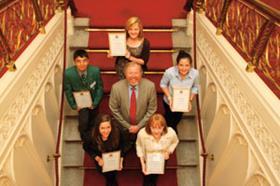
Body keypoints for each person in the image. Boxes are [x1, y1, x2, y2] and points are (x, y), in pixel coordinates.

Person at [109, 62, 157, 141]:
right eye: (130, 73)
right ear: (125, 74)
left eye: (136, 73)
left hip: (143, 127)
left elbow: (152, 109)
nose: (133, 76)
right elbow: (114, 109)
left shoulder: (150, 86)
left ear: (141, 73)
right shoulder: (116, 87)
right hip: (123, 127)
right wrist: (128, 126)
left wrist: (139, 126)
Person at [64, 49, 103, 140]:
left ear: (88, 61)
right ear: (74, 62)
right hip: (80, 103)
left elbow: (100, 88)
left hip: (93, 101)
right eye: (78, 61)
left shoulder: (95, 71)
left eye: (84, 61)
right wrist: (74, 105)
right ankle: (84, 136)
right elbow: (68, 90)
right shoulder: (68, 74)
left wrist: (95, 103)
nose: (82, 64)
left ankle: (93, 134)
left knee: (94, 118)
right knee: (83, 121)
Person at [83, 114, 130, 186]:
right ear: (97, 128)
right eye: (102, 128)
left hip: (115, 156)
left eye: (108, 127)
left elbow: (123, 145)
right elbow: (86, 147)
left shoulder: (118, 131)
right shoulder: (90, 136)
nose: (106, 131)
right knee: (109, 176)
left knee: (111, 175)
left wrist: (121, 159)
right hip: (101, 157)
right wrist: (97, 158)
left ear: (112, 127)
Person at [160, 50, 199, 131]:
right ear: (177, 65)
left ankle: (172, 129)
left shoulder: (195, 74)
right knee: (169, 119)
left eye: (187, 65)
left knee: (177, 119)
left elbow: (195, 87)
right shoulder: (169, 72)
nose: (184, 68)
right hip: (169, 101)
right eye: (181, 65)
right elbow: (163, 84)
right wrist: (169, 97)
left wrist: (189, 100)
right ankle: (170, 131)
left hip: (183, 102)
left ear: (190, 65)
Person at [136, 113, 179, 186]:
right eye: (153, 128)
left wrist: (169, 151)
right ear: (149, 127)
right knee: (146, 179)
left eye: (159, 128)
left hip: (161, 160)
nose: (156, 131)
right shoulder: (142, 134)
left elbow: (175, 141)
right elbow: (139, 146)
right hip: (147, 160)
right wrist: (143, 164)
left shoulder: (171, 133)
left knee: (154, 178)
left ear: (163, 127)